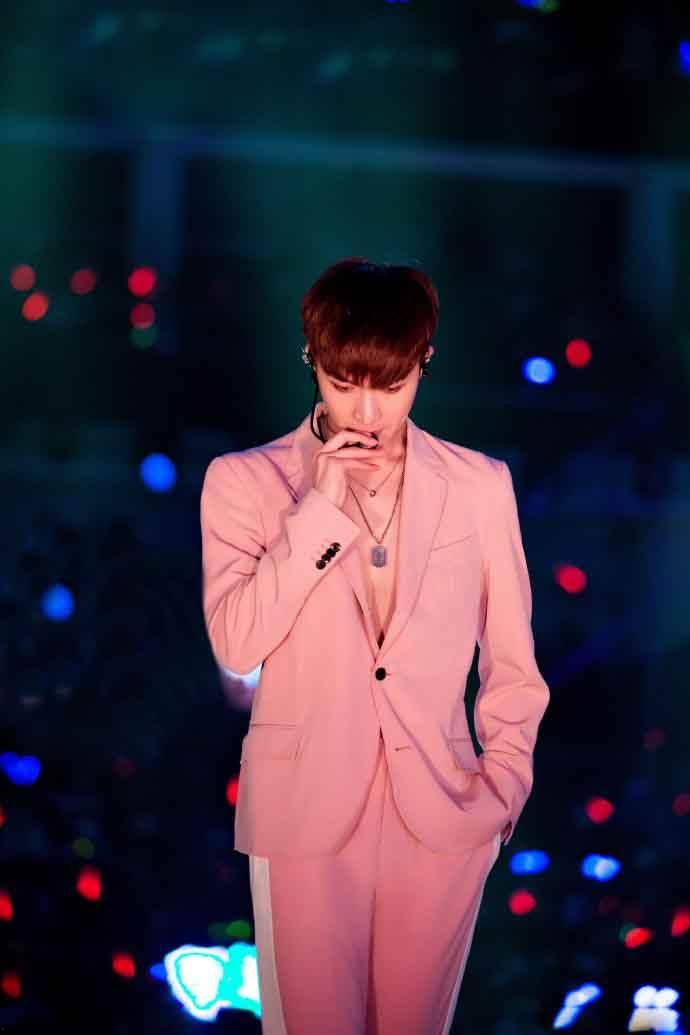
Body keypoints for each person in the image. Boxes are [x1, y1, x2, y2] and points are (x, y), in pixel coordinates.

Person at [199, 257, 550, 1034]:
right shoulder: (245, 481)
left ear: (424, 362)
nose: (365, 409)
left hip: (446, 810)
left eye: (390, 386)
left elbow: (513, 663)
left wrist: (501, 791)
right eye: (342, 383)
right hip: (304, 811)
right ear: (311, 362)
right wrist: (319, 510)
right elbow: (237, 638)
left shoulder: (479, 485)